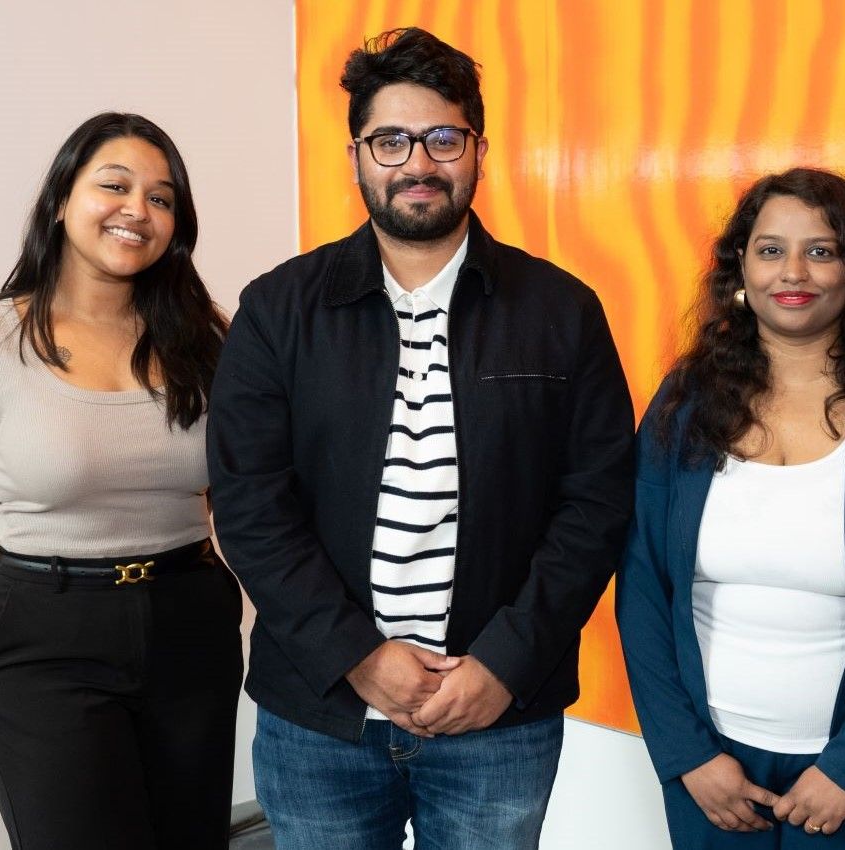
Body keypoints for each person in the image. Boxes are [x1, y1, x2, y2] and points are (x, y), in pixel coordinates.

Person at [207, 27, 634, 850]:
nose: (418, 163)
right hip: (319, 719)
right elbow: (250, 504)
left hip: (498, 718)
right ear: (356, 154)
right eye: (390, 140)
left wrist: (505, 663)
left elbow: (597, 503)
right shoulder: (278, 310)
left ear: (478, 150)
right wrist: (358, 654)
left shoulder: (560, 312)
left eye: (444, 138)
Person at [617, 167, 845, 848]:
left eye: (821, 250)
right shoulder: (683, 401)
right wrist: (686, 754)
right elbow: (640, 582)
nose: (794, 271)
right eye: (770, 249)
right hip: (712, 768)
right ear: (741, 267)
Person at [0, 113, 242, 849]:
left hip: (191, 624)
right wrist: (29, 623)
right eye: (115, 185)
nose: (138, 210)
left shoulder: (207, 339)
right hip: (44, 636)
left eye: (162, 198)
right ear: (62, 199)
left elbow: (239, 495)